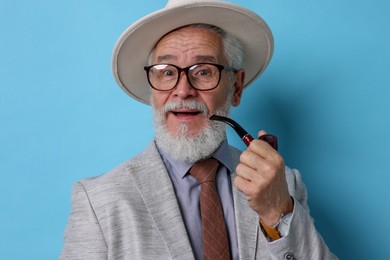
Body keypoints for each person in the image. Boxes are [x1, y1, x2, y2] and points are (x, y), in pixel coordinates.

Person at [60, 0, 338, 259]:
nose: (182, 90)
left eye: (203, 71)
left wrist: (278, 211)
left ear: (236, 88)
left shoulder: (283, 184)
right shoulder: (98, 200)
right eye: (167, 72)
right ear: (152, 90)